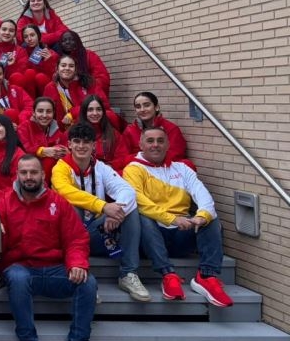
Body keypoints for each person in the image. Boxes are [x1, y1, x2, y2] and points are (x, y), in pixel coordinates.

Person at [0, 154, 102, 341]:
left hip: (54, 270)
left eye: (34, 172)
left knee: (88, 282)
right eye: (24, 172)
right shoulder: (4, 201)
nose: (29, 177)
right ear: (17, 175)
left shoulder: (58, 202)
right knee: (17, 277)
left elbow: (76, 238)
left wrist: (77, 264)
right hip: (21, 269)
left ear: (43, 175)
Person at [123, 127, 232, 307]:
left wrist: (202, 216)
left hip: (181, 233)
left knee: (210, 217)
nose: (155, 145)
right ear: (141, 144)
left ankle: (206, 276)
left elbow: (202, 194)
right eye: (150, 141)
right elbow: (138, 201)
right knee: (141, 216)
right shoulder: (134, 169)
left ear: (168, 144)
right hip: (151, 238)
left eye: (160, 140)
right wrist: (171, 219)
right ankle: (168, 275)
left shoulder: (182, 168)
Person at [51, 123, 150, 302]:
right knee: (72, 206)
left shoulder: (101, 167)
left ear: (93, 145)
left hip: (96, 232)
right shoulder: (60, 168)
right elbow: (65, 191)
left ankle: (128, 274)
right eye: (77, 141)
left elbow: (126, 190)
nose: (81, 146)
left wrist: (116, 210)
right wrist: (104, 207)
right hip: (69, 238)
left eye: (86, 142)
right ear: (70, 145)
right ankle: (82, 276)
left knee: (130, 208)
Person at [120, 91, 191, 168]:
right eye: (138, 107)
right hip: (138, 169)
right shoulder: (130, 130)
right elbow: (122, 156)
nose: (142, 109)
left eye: (146, 105)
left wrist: (149, 158)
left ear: (156, 107)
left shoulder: (171, 128)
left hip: (165, 168)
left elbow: (176, 155)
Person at [42, 54, 114, 129]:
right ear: (57, 68)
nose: (67, 68)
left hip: (89, 126)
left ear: (76, 70)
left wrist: (73, 113)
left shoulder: (89, 83)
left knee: (111, 116)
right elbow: (46, 112)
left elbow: (103, 106)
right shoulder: (50, 87)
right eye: (63, 65)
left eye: (71, 66)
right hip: (63, 130)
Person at [16, 97, 68, 180]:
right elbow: (24, 148)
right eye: (40, 111)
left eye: (48, 111)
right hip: (28, 169)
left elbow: (64, 147)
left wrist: (64, 152)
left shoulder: (56, 129)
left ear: (53, 113)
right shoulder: (24, 127)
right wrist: (41, 151)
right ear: (33, 113)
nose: (44, 115)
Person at [76, 94, 124, 168]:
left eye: (98, 109)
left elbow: (122, 157)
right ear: (84, 112)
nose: (95, 113)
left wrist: (108, 166)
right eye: (90, 110)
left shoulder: (114, 134)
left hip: (108, 173)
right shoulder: (75, 132)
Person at [59, 30, 111, 96]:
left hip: (88, 93)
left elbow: (103, 77)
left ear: (77, 41)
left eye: (71, 39)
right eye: (64, 40)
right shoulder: (59, 59)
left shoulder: (89, 55)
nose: (67, 42)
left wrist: (86, 84)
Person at [12, 24, 57, 97]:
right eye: (26, 37)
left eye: (32, 35)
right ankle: (31, 103)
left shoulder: (49, 52)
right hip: (29, 89)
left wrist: (49, 61)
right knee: (29, 72)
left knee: (40, 77)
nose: (29, 39)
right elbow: (20, 71)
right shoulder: (21, 52)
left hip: (45, 87)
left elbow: (56, 75)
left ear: (38, 35)